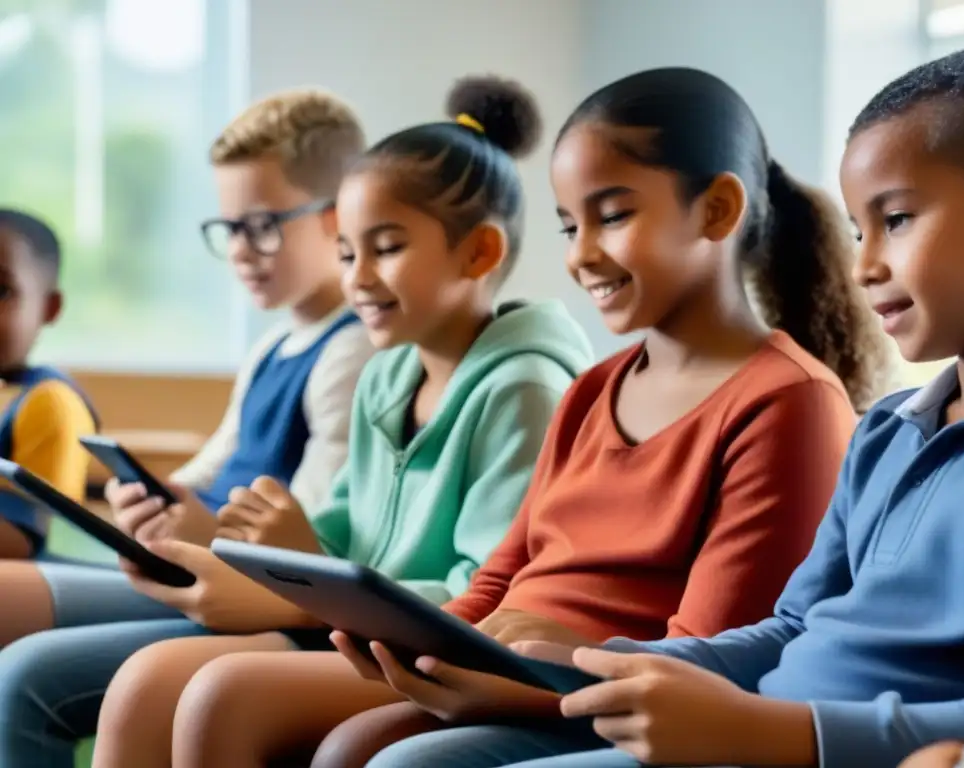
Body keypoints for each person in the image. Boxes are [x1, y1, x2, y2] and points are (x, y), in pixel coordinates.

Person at [158, 65, 885, 768]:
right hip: (505, 669)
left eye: (615, 215)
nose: (582, 255)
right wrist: (426, 643)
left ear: (717, 210)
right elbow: (498, 578)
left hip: (598, 702)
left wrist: (528, 676)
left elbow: (713, 657)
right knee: (336, 739)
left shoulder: (787, 402)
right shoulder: (592, 391)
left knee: (339, 741)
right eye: (570, 226)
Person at [349, 40, 964, 768]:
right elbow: (794, 624)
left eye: (896, 221)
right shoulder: (889, 432)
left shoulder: (797, 401)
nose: (864, 266)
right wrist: (574, 668)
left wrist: (756, 730)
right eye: (860, 230)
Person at [77, 75, 593, 768]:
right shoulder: (388, 374)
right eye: (348, 253)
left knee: (213, 695)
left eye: (386, 248)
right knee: (144, 686)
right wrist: (278, 550)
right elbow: (344, 535)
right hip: (354, 630)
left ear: (480, 254)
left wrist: (307, 576)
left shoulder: (525, 389)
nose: (356, 278)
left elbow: (482, 596)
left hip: (433, 651)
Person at [0, 88, 377, 765]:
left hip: (251, 592)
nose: (239, 249)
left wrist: (199, 525)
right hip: (200, 567)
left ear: (334, 218)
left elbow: (317, 529)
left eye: (261, 225)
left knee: (22, 654)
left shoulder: (353, 350)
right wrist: (146, 499)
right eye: (228, 228)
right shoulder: (272, 346)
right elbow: (203, 475)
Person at [0, 209, 98, 559]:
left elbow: (26, 539)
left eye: (1, 292)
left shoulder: (50, 404)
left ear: (49, 307)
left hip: (35, 584)